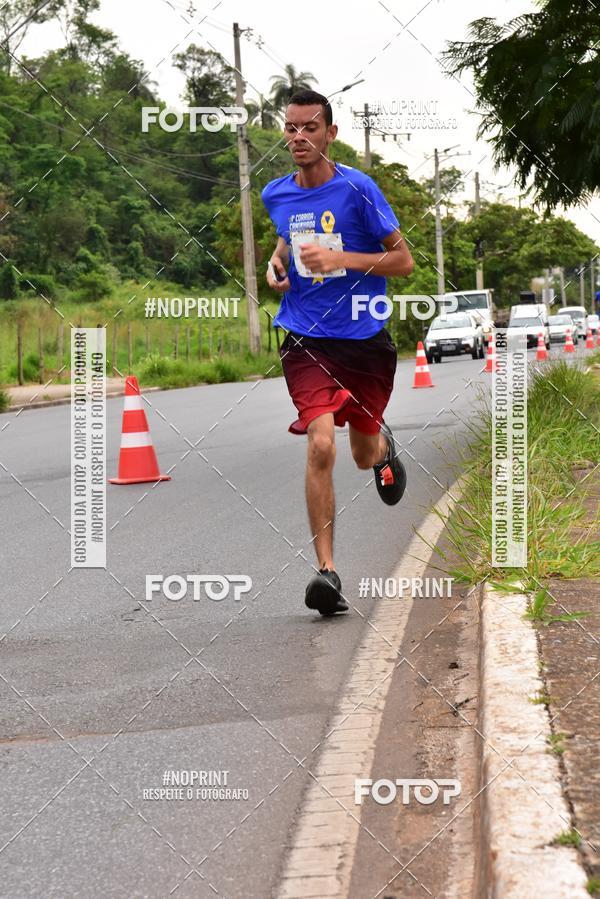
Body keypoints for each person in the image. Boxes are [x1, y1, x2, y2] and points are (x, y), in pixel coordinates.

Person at [261, 90, 414, 616]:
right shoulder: (275, 194)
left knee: (360, 453)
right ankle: (327, 572)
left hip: (365, 341)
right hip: (306, 337)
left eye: (309, 127)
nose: (298, 137)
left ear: (331, 132)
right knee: (321, 443)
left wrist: (340, 258)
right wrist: (275, 265)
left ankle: (384, 451)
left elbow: (403, 261)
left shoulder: (358, 189)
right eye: (290, 128)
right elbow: (285, 238)